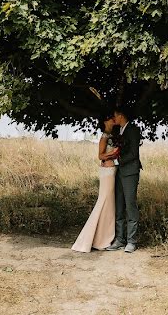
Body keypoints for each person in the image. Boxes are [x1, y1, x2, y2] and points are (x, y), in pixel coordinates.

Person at [71, 112, 121, 252]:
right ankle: (95, 238)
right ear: (105, 122)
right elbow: (100, 156)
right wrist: (114, 153)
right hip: (107, 170)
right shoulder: (105, 136)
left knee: (109, 203)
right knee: (104, 201)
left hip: (112, 169)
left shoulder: (113, 135)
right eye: (110, 118)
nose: (113, 120)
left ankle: (102, 237)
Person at [105, 108, 142, 253]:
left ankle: (131, 241)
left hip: (130, 172)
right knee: (118, 205)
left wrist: (117, 161)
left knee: (130, 204)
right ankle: (120, 239)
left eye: (115, 116)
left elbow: (134, 153)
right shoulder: (118, 131)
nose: (114, 119)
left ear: (121, 116)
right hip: (119, 172)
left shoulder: (133, 130)